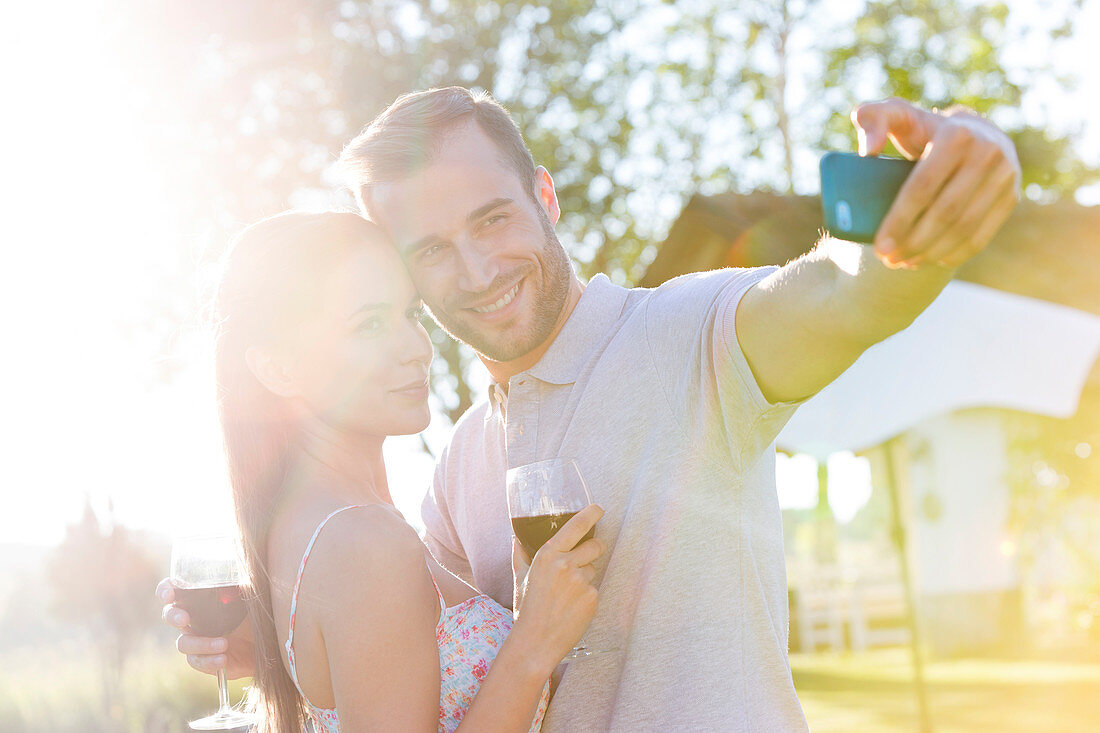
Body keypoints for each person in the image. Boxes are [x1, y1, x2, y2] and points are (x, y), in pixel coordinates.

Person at [165, 88, 1020, 731]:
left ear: (545, 196)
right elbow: (419, 665)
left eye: (493, 218)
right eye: (432, 250)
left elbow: (842, 292)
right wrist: (280, 651)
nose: (475, 269)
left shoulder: (690, 339)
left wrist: (946, 191)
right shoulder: (461, 457)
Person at [158, 210, 607, 732]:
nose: (417, 349)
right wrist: (533, 644)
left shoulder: (298, 527)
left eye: (411, 314)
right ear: (279, 369)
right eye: (368, 325)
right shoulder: (365, 541)